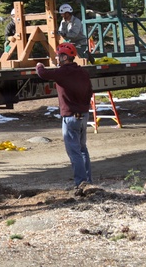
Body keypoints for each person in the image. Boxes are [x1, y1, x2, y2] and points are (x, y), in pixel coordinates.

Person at [36, 42, 93, 187]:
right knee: (82, 149)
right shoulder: (83, 72)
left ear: (65, 57)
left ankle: (81, 183)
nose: (56, 58)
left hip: (71, 117)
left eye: (58, 56)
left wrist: (39, 66)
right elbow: (90, 92)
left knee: (74, 152)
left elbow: (43, 74)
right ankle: (88, 181)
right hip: (83, 115)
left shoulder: (62, 72)